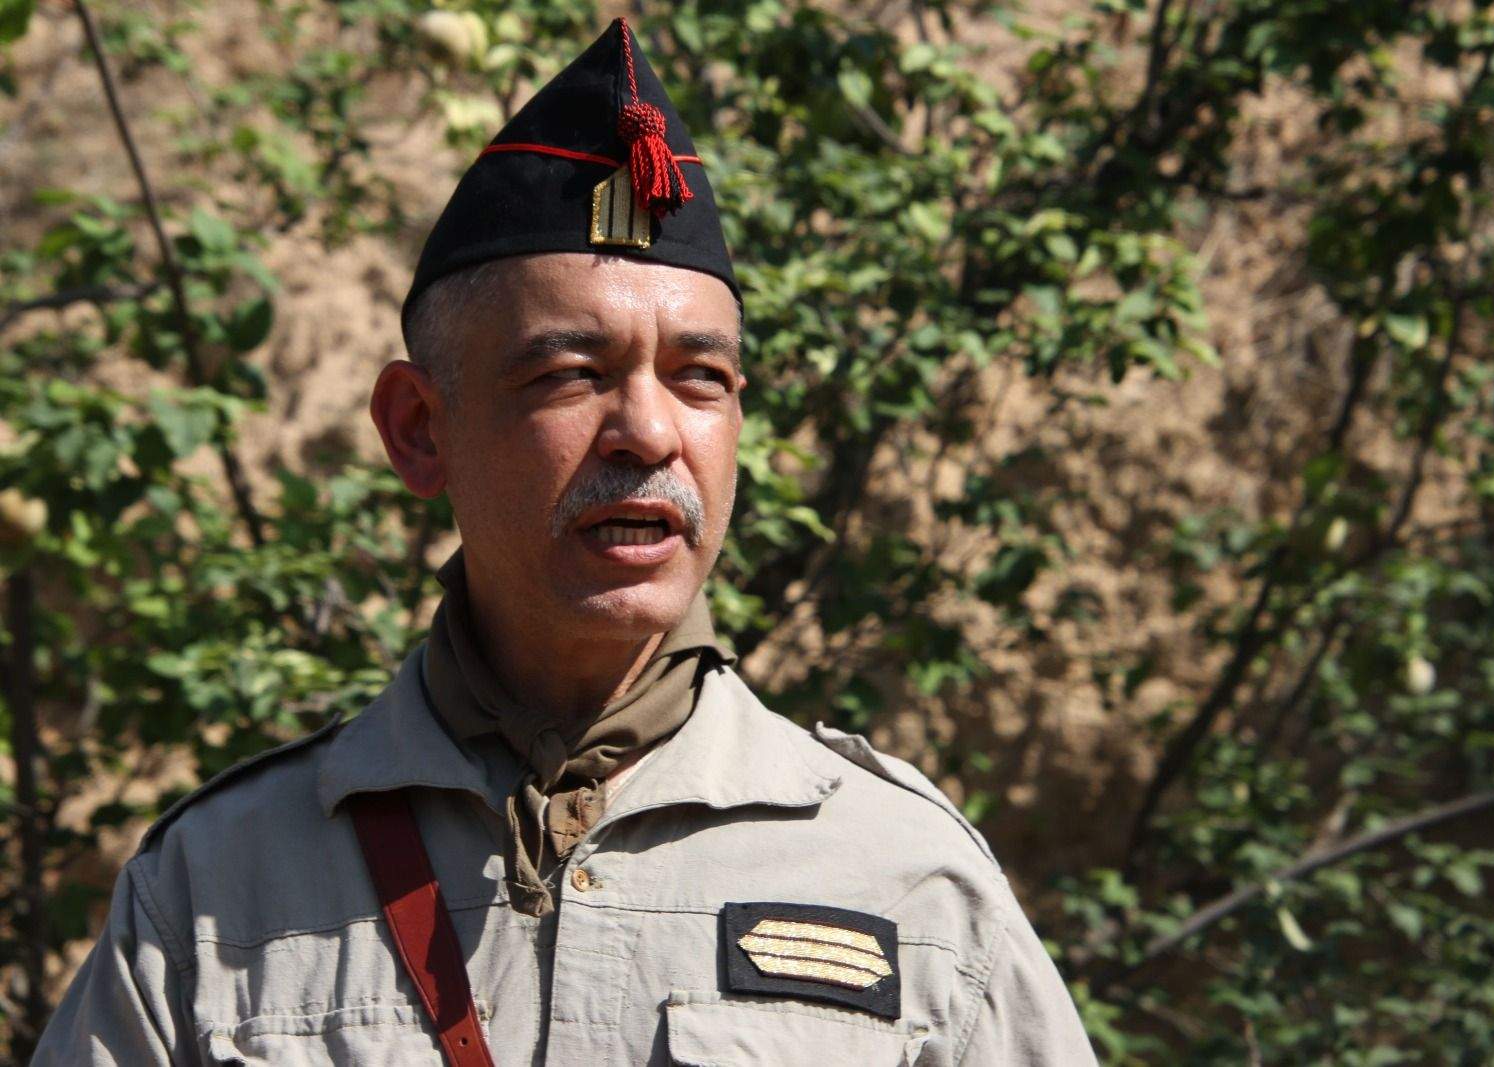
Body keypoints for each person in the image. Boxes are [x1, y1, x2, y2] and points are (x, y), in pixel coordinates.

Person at [34, 18, 1098, 1066]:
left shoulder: (903, 876)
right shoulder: (219, 887)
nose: (648, 430)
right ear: (418, 429)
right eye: (570, 373)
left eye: (698, 377)